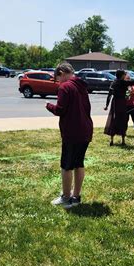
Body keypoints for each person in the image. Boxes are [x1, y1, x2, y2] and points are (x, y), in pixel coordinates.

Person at [46, 63, 93, 208]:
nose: (58, 82)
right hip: (85, 130)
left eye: (57, 78)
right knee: (79, 163)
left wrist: (49, 106)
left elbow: (60, 110)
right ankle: (76, 197)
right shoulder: (81, 86)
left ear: (61, 73)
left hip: (72, 132)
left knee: (66, 165)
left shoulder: (65, 87)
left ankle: (66, 197)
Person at [104, 70, 134, 146]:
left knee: (113, 119)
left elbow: (109, 95)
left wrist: (107, 105)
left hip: (115, 103)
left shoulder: (113, 83)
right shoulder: (123, 83)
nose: (125, 75)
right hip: (122, 103)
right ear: (122, 76)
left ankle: (111, 140)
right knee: (123, 120)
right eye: (124, 74)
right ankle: (123, 140)